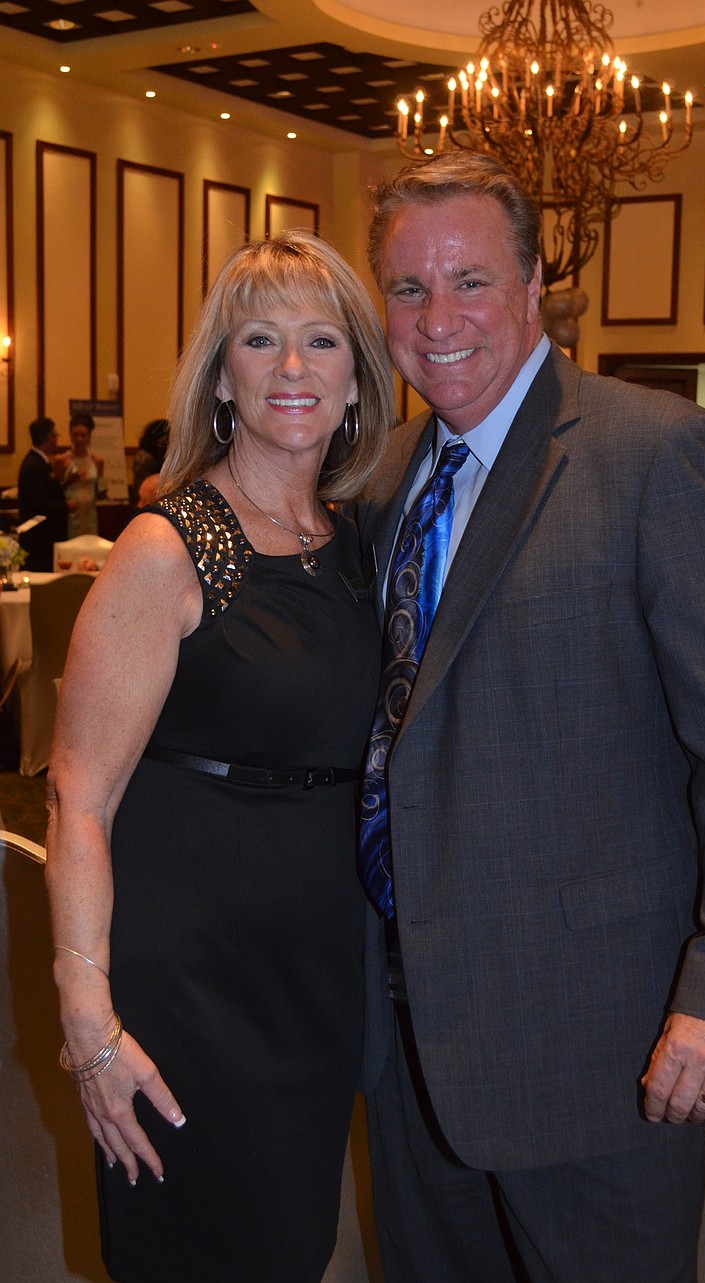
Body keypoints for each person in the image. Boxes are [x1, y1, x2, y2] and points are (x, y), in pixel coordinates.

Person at [356, 153, 705, 1283]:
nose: (438, 318)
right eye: (408, 290)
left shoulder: (655, 453)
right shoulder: (388, 479)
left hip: (595, 1041)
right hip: (409, 1031)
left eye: (469, 280)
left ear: (532, 291)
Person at [45, 231, 394, 1283]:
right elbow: (78, 795)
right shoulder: (170, 544)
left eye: (321, 341)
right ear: (223, 378)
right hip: (190, 977)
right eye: (260, 340)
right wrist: (87, 1017)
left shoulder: (356, 542)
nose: (293, 369)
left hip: (319, 970)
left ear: (355, 381)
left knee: (290, 1241)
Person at [16, 417, 69, 570]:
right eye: (54, 435)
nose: (56, 439)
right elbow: (40, 504)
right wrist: (66, 506)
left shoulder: (40, 462)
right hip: (40, 538)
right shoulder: (34, 465)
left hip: (43, 537)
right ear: (47, 438)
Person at [56, 412, 105, 536]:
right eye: (75, 435)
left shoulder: (97, 461)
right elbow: (55, 491)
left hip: (89, 513)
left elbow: (99, 487)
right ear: (70, 435)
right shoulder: (62, 460)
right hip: (70, 514)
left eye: (83, 435)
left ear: (89, 436)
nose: (79, 439)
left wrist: (102, 492)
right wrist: (69, 480)